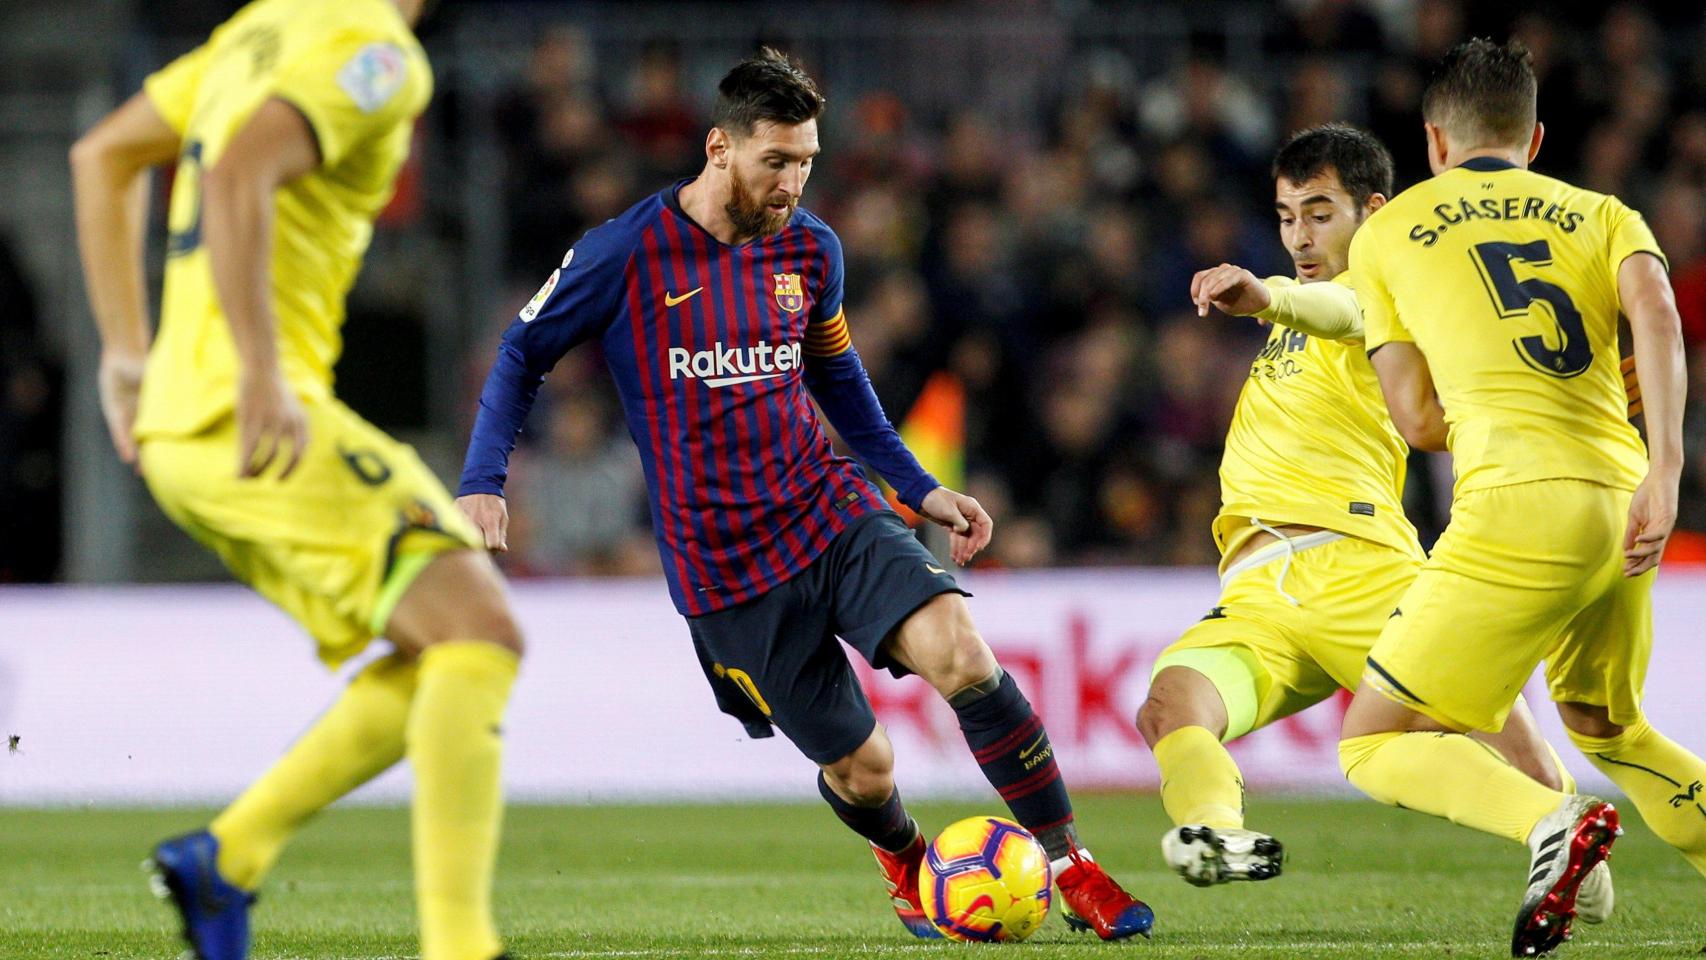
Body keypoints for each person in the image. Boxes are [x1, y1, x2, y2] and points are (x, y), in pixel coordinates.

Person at [457, 48, 1153, 941]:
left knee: (962, 650)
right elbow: (521, 353)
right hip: (725, 570)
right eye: (775, 162)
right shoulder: (623, 253)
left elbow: (837, 375)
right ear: (719, 148)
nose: (792, 183)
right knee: (864, 766)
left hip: (827, 511)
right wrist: (483, 482)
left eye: (807, 163)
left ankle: (1073, 867)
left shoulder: (810, 250)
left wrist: (917, 489)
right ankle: (904, 860)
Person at [70, 2, 521, 958]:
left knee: (443, 644)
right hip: (255, 415)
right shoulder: (377, 52)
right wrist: (263, 370)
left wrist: (124, 354)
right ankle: (460, 946)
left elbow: (102, 157)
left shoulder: (260, 28)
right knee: (483, 632)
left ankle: (225, 859)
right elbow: (238, 172)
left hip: (182, 432)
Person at [1140, 124, 1606, 909]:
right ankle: (1217, 832)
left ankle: (1571, 842)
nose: (1300, 235)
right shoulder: (1301, 312)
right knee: (1169, 704)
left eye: (1320, 213)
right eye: (1287, 216)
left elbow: (1337, 309)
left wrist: (1268, 293)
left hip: (1357, 563)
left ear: (1373, 212)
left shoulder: (1385, 289)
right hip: (1259, 588)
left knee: (1486, 739)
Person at [1335, 39, 1706, 957]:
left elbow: (1418, 418)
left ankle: (1552, 825)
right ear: (1534, 138)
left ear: (1433, 143)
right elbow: (1657, 310)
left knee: (1373, 743)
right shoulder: (1601, 212)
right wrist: (1665, 470)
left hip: (1516, 503)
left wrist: (1487, 392)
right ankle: (1574, 823)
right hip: (1623, 497)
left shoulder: (1387, 231)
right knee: (1604, 722)